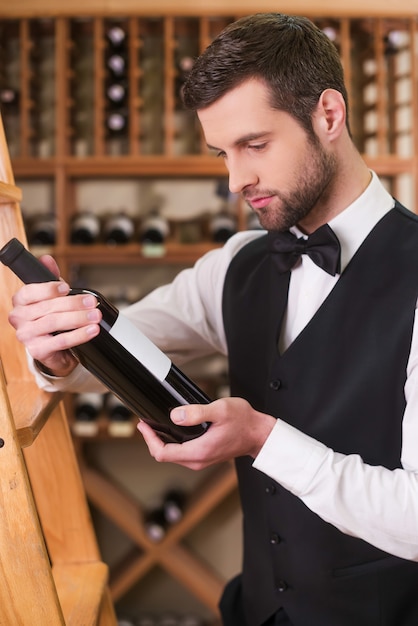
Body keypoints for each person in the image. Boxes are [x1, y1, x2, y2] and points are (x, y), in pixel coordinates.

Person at [7, 13, 418, 626]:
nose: (235, 180)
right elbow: (125, 343)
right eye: (222, 153)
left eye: (255, 145)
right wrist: (61, 349)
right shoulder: (234, 266)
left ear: (329, 116)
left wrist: (261, 438)